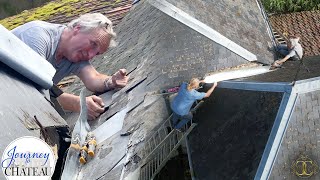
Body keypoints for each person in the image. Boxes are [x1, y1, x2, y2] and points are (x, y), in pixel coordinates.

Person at [11, 13, 129, 120]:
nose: (91, 55)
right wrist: (78, 103)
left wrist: (111, 81)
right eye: (93, 44)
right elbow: (32, 89)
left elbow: (93, 78)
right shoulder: (37, 36)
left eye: (97, 53)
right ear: (78, 28)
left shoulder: (74, 54)